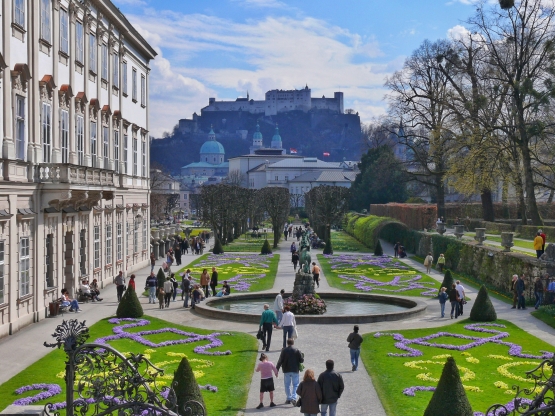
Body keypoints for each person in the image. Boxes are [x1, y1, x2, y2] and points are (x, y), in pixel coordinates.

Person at [276, 338, 304, 406]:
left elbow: (280, 360)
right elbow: (301, 360)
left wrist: (277, 369)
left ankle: (288, 398)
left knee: (287, 385)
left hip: (286, 370)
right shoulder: (297, 350)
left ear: (287, 343)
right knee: (295, 385)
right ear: (293, 343)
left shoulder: (284, 350)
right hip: (295, 370)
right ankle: (294, 398)